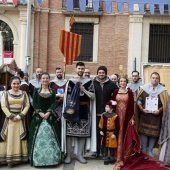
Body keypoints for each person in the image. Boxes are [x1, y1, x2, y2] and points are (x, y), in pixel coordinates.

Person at [62, 62, 96, 164]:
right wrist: (67, 110)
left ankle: (80, 155)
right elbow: (67, 97)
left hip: (84, 109)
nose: (80, 70)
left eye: (82, 68)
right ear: (76, 69)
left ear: (84, 69)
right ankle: (68, 155)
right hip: (72, 109)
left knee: (83, 133)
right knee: (69, 133)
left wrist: (83, 90)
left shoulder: (89, 82)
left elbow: (93, 97)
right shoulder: (70, 81)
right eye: (79, 68)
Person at [28, 72, 61, 166]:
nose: (45, 80)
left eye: (47, 78)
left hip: (50, 116)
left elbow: (53, 103)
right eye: (43, 78)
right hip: (38, 117)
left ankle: (53, 160)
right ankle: (37, 160)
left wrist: (48, 112)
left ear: (49, 79)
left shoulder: (53, 91)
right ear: (40, 79)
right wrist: (41, 113)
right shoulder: (36, 90)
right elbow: (34, 102)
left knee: (51, 137)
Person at [112, 74, 140, 170]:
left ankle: (125, 156)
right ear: (118, 83)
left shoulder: (130, 92)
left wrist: (132, 118)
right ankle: (118, 157)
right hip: (117, 116)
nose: (122, 83)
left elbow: (132, 106)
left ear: (126, 83)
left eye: (124, 81)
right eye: (121, 81)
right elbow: (112, 103)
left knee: (125, 134)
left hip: (127, 116)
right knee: (118, 134)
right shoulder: (115, 92)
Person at [137, 72, 169, 158]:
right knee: (144, 132)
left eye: (156, 78)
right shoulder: (143, 89)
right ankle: (143, 150)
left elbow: (165, 104)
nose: (155, 79)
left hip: (156, 117)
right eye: (153, 77)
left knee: (153, 133)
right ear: (150, 78)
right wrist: (141, 109)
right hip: (145, 115)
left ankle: (150, 150)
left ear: (159, 79)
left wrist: (159, 110)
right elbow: (139, 100)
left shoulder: (163, 91)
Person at [0, 76, 30, 166]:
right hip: (9, 120)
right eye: (14, 84)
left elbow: (27, 105)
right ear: (10, 84)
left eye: (17, 83)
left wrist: (20, 116)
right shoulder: (5, 93)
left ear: (20, 84)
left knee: (19, 138)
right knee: (9, 138)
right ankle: (8, 158)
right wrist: (11, 116)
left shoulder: (24, 93)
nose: (16, 85)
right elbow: (3, 106)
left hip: (20, 119)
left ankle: (19, 158)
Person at [92, 66, 118, 158]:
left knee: (105, 134)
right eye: (99, 72)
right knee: (96, 133)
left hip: (107, 114)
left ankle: (104, 152)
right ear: (97, 73)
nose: (101, 74)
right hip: (95, 112)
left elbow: (117, 95)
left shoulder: (111, 84)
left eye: (103, 72)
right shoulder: (93, 83)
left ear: (106, 74)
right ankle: (96, 151)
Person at [99, 101, 119, 165]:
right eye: (105, 106)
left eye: (107, 107)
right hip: (105, 133)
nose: (105, 108)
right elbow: (101, 124)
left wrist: (114, 134)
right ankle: (106, 159)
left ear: (111, 108)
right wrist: (101, 130)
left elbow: (117, 126)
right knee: (105, 146)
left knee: (111, 147)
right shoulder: (103, 115)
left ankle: (111, 159)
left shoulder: (115, 116)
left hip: (111, 133)